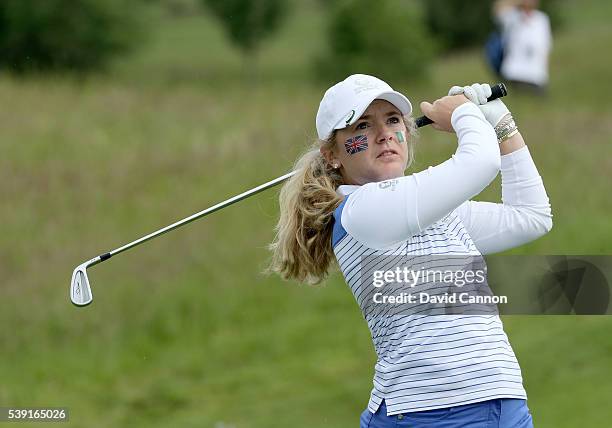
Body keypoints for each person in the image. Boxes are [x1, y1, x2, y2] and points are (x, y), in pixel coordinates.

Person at [268, 74, 552, 427]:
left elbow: (531, 216)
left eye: (392, 120)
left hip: (481, 403)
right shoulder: (361, 210)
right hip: (436, 411)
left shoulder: (430, 208)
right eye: (362, 125)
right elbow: (479, 164)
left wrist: (502, 123)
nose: (384, 133)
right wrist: (464, 114)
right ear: (332, 154)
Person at [494, 0, 552, 94]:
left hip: (536, 76)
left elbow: (545, 48)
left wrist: (544, 76)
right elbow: (498, 8)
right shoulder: (511, 17)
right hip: (516, 74)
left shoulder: (542, 19)